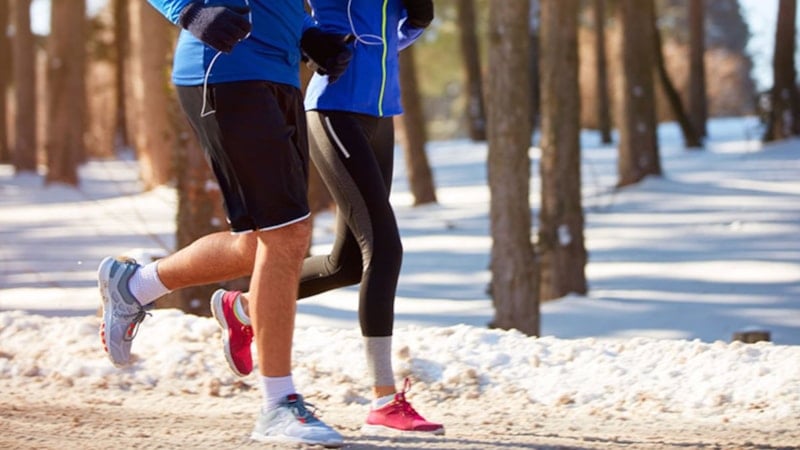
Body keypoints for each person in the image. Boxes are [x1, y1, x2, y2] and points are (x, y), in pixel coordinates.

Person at [99, 0, 440, 439]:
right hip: (224, 66)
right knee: (287, 235)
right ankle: (278, 404)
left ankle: (137, 284)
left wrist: (306, 34)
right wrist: (187, 10)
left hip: (278, 74)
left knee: (258, 243)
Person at [212, 0, 443, 435]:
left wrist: (416, 21)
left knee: (348, 262)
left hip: (380, 112)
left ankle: (244, 307)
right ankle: (384, 398)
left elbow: (388, 39)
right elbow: (292, 18)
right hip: (334, 107)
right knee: (385, 248)